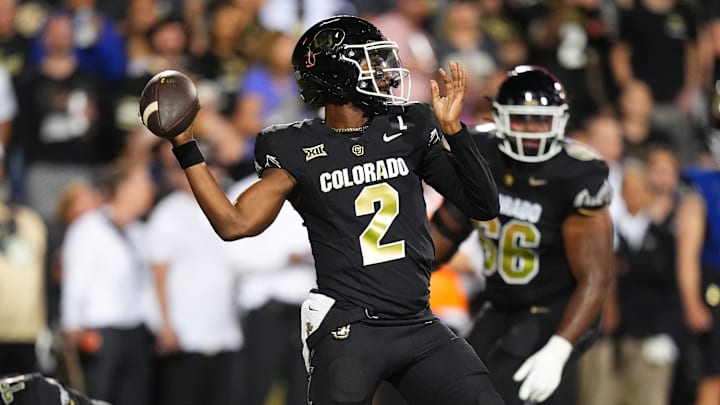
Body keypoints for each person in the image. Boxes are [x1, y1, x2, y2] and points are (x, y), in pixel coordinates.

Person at [145, 15, 503, 405]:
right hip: (352, 330)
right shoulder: (297, 148)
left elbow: (482, 205)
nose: (384, 72)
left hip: (418, 321)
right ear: (337, 73)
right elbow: (234, 224)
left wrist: (455, 131)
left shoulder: (410, 125)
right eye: (369, 62)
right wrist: (185, 145)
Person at [430, 65, 614, 405]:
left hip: (555, 311)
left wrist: (559, 350)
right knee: (449, 387)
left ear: (558, 120)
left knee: (492, 394)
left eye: (541, 120)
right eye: (521, 120)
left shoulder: (577, 175)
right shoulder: (483, 152)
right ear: (500, 118)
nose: (531, 131)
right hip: (499, 303)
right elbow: (447, 227)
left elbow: (596, 279)